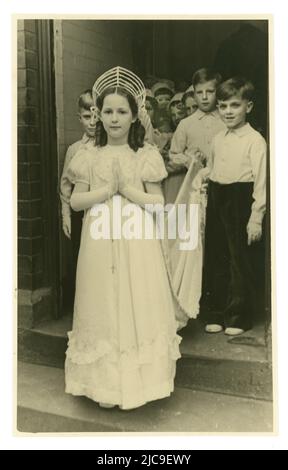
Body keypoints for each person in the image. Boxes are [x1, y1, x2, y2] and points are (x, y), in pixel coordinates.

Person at [64, 66, 182, 410]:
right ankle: (106, 386)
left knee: (135, 299)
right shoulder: (88, 156)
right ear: (98, 115)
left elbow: (158, 203)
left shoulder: (144, 156)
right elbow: (76, 200)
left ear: (134, 116)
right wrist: (105, 190)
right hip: (99, 239)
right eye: (107, 111)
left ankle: (137, 384)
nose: (114, 119)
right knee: (102, 303)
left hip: (136, 239)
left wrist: (128, 189)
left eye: (122, 112)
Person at [200, 77, 266, 336]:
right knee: (216, 256)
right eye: (223, 106)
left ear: (248, 107)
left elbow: (261, 182)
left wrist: (256, 216)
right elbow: (213, 168)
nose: (227, 111)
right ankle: (216, 312)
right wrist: (202, 174)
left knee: (240, 259)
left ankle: (238, 315)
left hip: (241, 198)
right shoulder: (218, 139)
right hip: (218, 195)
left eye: (234, 105)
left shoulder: (255, 141)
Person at [59, 89, 96, 300]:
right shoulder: (75, 150)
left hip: (102, 213)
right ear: (79, 118)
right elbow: (65, 185)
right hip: (80, 213)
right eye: (87, 117)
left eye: (95, 116)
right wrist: (66, 214)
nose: (92, 122)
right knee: (81, 260)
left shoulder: (108, 145)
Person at [169, 68, 225, 171]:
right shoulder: (185, 124)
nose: (204, 97)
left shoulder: (227, 121)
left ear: (218, 92)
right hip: (194, 182)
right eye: (199, 92)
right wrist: (187, 160)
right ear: (194, 95)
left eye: (210, 92)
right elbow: (174, 154)